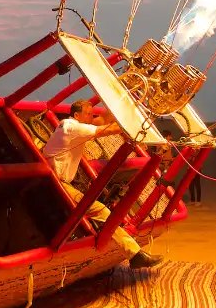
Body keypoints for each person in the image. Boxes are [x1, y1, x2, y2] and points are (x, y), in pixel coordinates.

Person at [43, 100, 163, 270]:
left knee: (101, 208)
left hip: (58, 183)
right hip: (56, 184)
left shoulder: (73, 127)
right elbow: (109, 129)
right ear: (77, 115)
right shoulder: (72, 127)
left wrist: (127, 104)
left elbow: (101, 121)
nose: (92, 117)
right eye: (88, 114)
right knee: (101, 210)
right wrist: (136, 123)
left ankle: (132, 252)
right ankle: (134, 254)